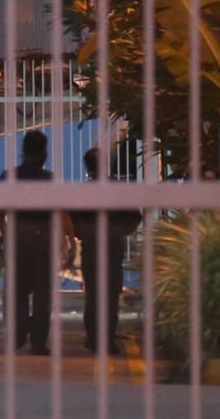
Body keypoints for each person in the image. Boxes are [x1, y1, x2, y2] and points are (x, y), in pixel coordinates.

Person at [0, 130, 75, 356]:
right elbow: (61, 214)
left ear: (23, 151)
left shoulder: (9, 177)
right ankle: (38, 341)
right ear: (44, 152)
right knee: (43, 294)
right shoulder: (50, 180)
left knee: (15, 292)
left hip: (15, 239)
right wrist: (70, 241)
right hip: (44, 241)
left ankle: (16, 334)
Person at [71, 146, 142, 355]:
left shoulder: (81, 191)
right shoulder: (120, 189)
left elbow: (73, 220)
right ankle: (108, 339)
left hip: (92, 247)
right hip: (113, 246)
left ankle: (93, 338)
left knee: (93, 293)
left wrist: (85, 234)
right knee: (111, 293)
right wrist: (116, 232)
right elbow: (134, 218)